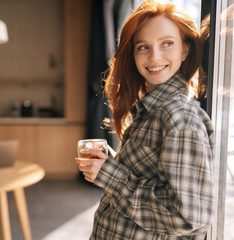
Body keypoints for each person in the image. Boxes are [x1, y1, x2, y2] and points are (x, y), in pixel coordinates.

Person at [75, 0, 215, 239]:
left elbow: (186, 218)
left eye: (167, 44)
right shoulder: (152, 108)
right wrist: (110, 163)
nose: (154, 56)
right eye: (143, 47)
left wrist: (110, 175)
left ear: (185, 49)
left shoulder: (180, 118)